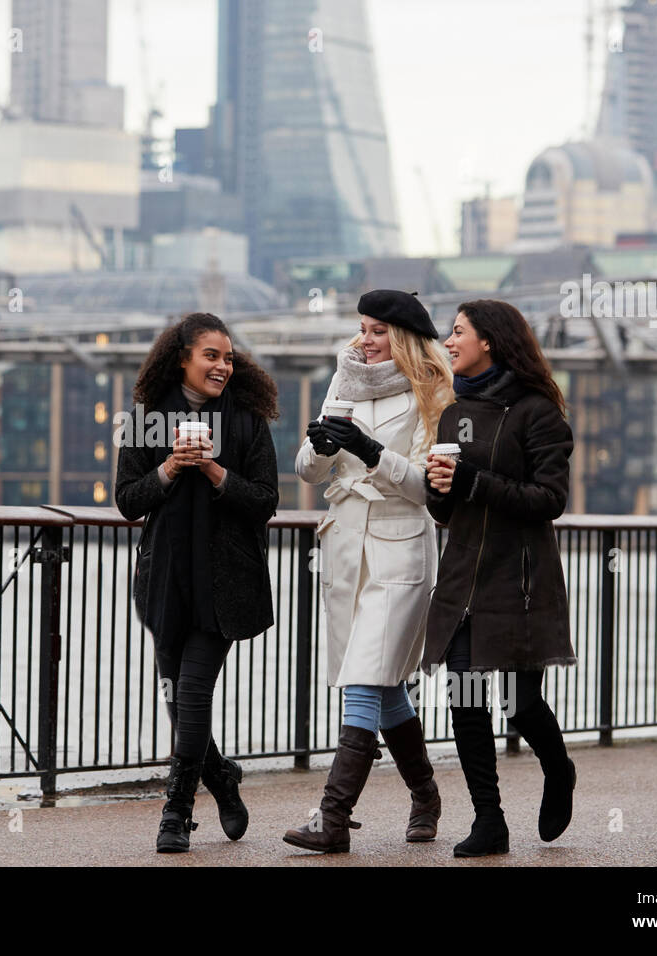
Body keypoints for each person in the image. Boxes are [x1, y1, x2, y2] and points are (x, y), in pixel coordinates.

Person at [282, 290, 454, 854]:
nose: (364, 339)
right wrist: (322, 446)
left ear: (402, 336)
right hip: (346, 544)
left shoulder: (434, 388)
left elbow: (429, 487)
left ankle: (333, 821)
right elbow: (308, 473)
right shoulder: (345, 378)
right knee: (382, 687)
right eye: (361, 328)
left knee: (364, 677)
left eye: (377, 330)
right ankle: (426, 797)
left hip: (401, 547)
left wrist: (373, 452)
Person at [114, 312, 280, 853]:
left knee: (190, 691)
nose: (223, 366)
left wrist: (212, 471)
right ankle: (222, 778)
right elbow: (127, 501)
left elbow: (265, 502)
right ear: (181, 357)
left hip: (225, 582)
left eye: (229, 357)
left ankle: (176, 812)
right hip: (164, 579)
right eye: (211, 355)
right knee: (178, 702)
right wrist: (168, 468)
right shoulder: (143, 419)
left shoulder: (248, 420)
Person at [423, 298, 577, 858]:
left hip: (518, 581)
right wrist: (438, 491)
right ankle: (490, 820)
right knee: (464, 694)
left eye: (458, 331)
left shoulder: (539, 413)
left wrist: (473, 481)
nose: (448, 340)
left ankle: (558, 769)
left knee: (519, 702)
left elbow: (549, 500)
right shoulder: (450, 414)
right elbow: (449, 511)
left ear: (488, 339)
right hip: (462, 579)